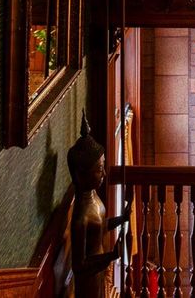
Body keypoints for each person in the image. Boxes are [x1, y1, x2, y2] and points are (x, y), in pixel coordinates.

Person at [68, 114, 128, 298]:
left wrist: (121, 219)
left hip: (100, 270)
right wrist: (110, 256)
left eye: (103, 167)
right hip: (88, 282)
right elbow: (79, 266)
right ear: (81, 175)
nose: (103, 173)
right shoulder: (81, 216)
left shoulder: (93, 196)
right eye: (98, 169)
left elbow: (101, 225)